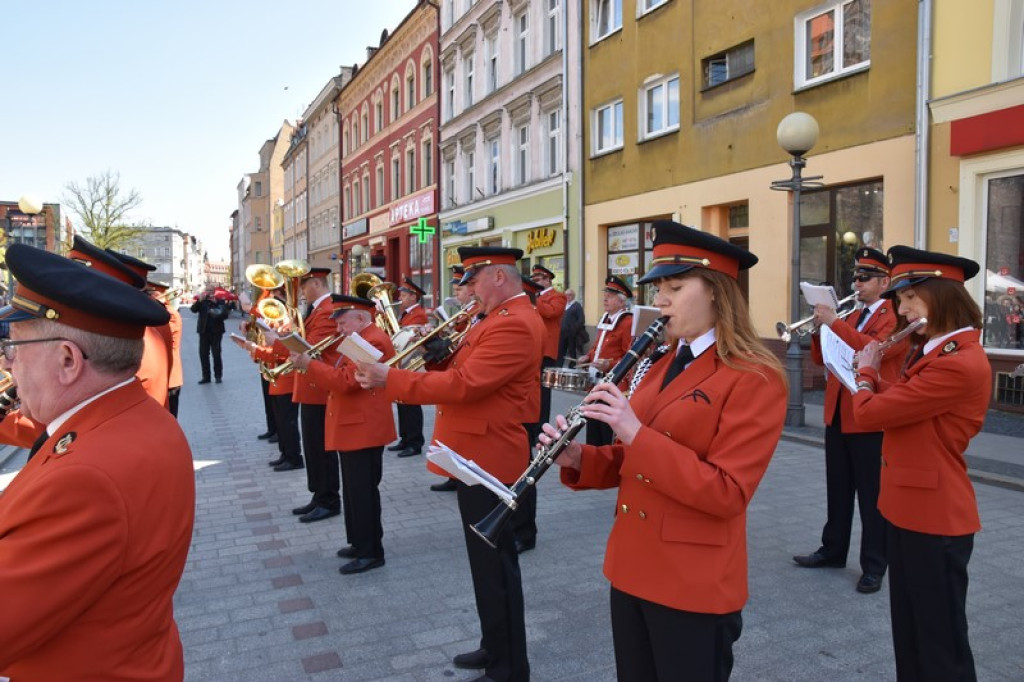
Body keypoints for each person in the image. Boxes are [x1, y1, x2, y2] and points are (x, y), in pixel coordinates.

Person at [540, 220, 786, 682]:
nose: (661, 300)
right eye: (659, 288)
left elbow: (728, 492)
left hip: (692, 579)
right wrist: (579, 460)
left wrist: (633, 432)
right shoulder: (662, 359)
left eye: (675, 286)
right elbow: (635, 458)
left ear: (716, 291)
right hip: (632, 565)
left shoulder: (755, 376)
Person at [0, 243, 195, 680]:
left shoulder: (86, 479)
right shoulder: (139, 419)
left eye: (14, 348)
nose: (8, 363)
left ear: (68, 359)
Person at [357, 246, 542, 682]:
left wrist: (392, 378)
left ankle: (509, 666)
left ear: (498, 276)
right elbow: (463, 367)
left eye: (472, 281)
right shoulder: (492, 319)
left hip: (490, 454)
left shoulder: (513, 323)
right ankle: (493, 645)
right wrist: (439, 352)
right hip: (474, 450)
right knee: (485, 563)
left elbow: (467, 385)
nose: (466, 291)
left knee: (496, 566)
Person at [852, 246, 990, 682]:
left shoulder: (959, 362)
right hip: (907, 509)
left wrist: (866, 373)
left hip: (936, 518)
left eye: (912, 297)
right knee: (909, 634)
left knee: (941, 644)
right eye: (900, 299)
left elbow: (871, 413)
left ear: (943, 296)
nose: (902, 308)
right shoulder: (931, 350)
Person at [793, 247, 902, 594]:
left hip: (870, 415)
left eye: (864, 277)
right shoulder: (853, 314)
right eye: (855, 276)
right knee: (838, 489)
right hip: (838, 412)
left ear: (885, 281)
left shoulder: (893, 314)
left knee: (872, 495)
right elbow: (824, 355)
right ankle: (833, 550)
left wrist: (834, 323)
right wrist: (816, 330)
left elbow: (872, 350)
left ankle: (874, 565)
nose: (857, 282)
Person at [292, 295, 396, 574]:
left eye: (342, 322)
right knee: (353, 490)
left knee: (362, 492)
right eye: (336, 323)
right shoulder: (359, 338)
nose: (338, 329)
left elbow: (348, 382)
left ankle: (370, 551)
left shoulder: (371, 341)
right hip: (355, 425)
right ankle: (359, 541)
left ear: (361, 318)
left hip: (364, 427)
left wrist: (309, 365)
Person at [281, 269, 343, 523]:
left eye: (304, 286)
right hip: (311, 386)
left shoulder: (327, 309)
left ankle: (328, 499)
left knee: (321, 448)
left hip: (319, 389)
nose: (302, 292)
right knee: (313, 447)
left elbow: (312, 346)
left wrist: (280, 339)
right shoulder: (318, 309)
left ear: (317, 283)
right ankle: (318, 495)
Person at [429, 266, 474, 493]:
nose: (456, 293)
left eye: (460, 288)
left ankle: (458, 476)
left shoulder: (475, 315)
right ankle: (454, 476)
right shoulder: (467, 313)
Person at [579, 275, 634, 446]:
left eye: (609, 296)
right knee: (593, 428)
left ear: (621, 301)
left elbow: (631, 357)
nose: (604, 299)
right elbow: (599, 346)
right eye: (605, 295)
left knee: (606, 433)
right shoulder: (606, 318)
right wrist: (588, 356)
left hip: (614, 386)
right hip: (597, 384)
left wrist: (609, 364)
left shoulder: (627, 322)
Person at [389, 276, 429, 458]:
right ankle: (405, 438)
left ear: (413, 296)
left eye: (404, 294)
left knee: (411, 403)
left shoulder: (418, 314)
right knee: (402, 402)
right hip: (402, 361)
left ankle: (415, 442)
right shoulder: (405, 314)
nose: (401, 298)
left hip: (411, 362)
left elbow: (406, 336)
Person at [191, 283, 229, 384]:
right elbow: (193, 310)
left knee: (216, 354)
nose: (209, 293)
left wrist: (216, 303)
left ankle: (218, 376)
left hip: (216, 332)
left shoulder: (220, 301)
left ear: (214, 292)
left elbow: (225, 315)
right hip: (203, 331)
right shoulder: (201, 301)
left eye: (211, 291)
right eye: (207, 290)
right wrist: (199, 301)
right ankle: (206, 377)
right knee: (203, 355)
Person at [558, 288, 587, 365]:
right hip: (562, 332)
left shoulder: (577, 306)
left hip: (572, 333)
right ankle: (559, 366)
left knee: (572, 352)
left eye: (570, 295)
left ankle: (572, 367)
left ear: (573, 296)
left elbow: (581, 320)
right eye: (566, 295)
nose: (568, 296)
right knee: (561, 351)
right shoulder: (564, 305)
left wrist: (573, 329)